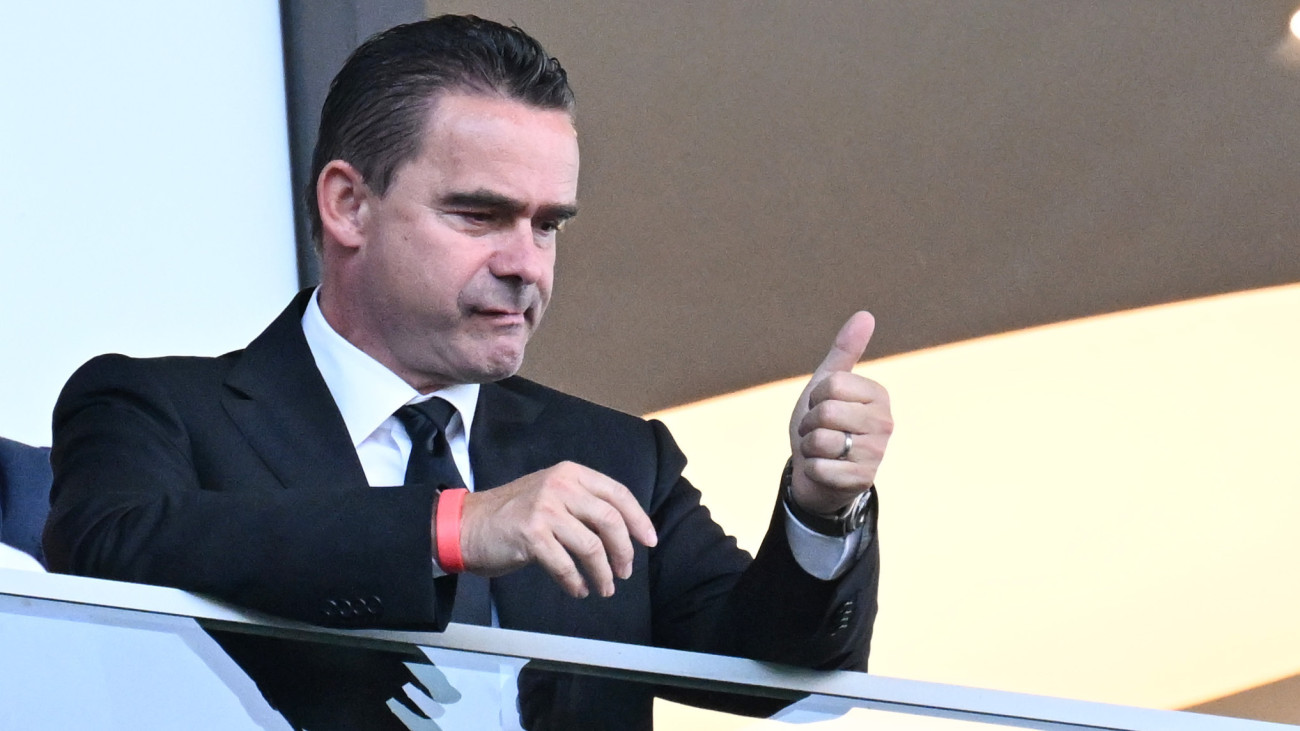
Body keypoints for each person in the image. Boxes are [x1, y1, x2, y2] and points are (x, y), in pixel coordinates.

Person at [43, 14, 891, 730]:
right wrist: (450, 527)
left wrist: (823, 508)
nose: (527, 263)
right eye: (480, 214)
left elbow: (770, 670)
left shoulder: (616, 455)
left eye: (549, 224)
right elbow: (109, 553)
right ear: (348, 204)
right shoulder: (158, 407)